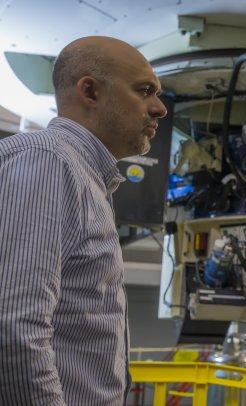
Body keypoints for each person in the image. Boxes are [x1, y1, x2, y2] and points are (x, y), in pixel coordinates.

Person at [0, 36, 167, 405]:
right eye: (145, 91)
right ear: (90, 91)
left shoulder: (87, 179)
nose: (160, 109)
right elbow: (13, 325)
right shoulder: (48, 161)